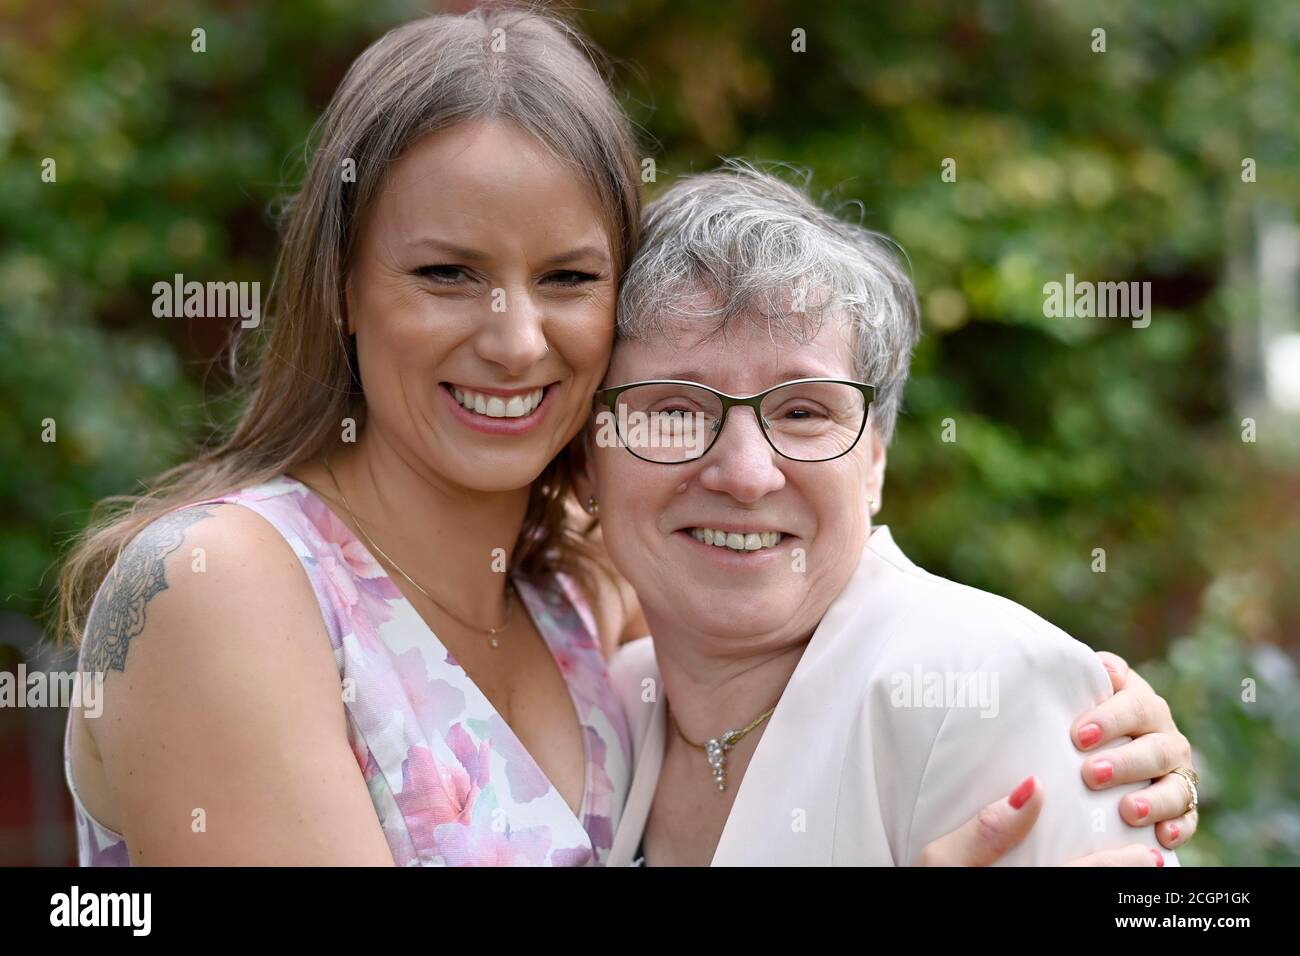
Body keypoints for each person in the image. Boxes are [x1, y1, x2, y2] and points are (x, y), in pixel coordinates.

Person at [58, 8, 1195, 866]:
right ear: (343, 286)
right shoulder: (222, 588)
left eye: (567, 277)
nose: (513, 338)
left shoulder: (587, 600)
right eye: (446, 272)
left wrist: (1063, 722)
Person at [581, 163, 1199, 865]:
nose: (747, 474)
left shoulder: (988, 689)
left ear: (873, 462)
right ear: (586, 460)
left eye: (804, 411)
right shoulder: (614, 704)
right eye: (677, 411)